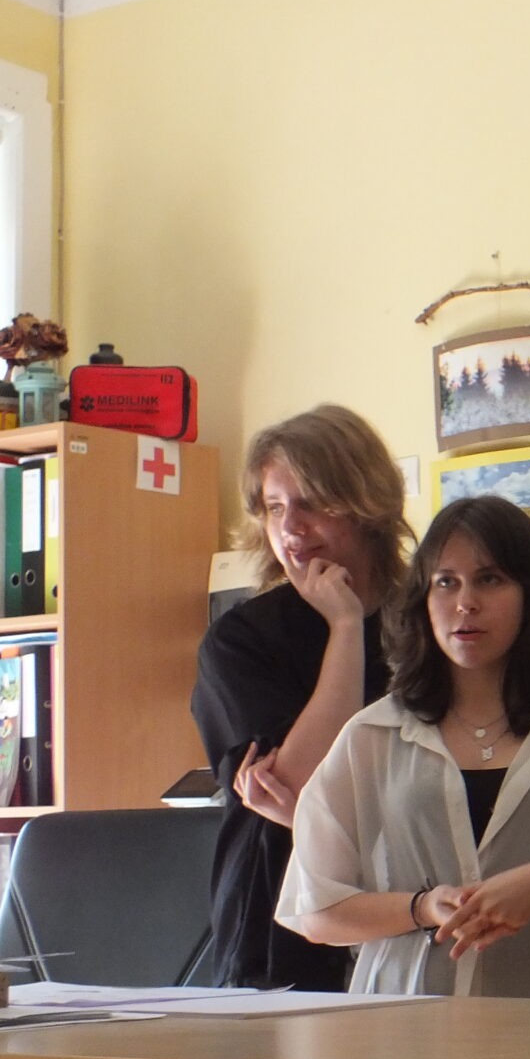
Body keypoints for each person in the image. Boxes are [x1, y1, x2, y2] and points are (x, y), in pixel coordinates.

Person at [274, 495, 530, 996]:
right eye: (446, 582)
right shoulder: (372, 734)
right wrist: (422, 906)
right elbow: (315, 909)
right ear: (423, 598)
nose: (465, 603)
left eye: (489, 579)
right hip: (403, 1024)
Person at [192, 404, 410, 990]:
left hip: (416, 918)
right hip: (279, 939)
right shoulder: (240, 641)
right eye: (274, 507)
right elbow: (297, 786)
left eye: (312, 503)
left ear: (366, 505)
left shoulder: (431, 621)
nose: (291, 527)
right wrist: (345, 629)